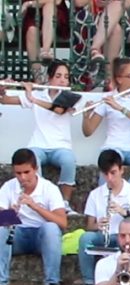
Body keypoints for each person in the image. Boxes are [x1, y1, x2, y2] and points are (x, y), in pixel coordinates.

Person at [0, 61, 78, 212]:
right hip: (38, 144)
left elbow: (58, 110)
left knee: (68, 160)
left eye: (66, 77)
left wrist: (31, 97)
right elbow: (5, 100)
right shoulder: (38, 93)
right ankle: (36, 200)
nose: (63, 80)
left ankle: (64, 203)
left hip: (61, 146)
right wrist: (3, 89)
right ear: (50, 78)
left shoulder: (70, 96)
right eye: (58, 76)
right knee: (33, 159)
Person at [76, 149, 130, 285]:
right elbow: (89, 226)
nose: (109, 178)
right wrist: (98, 225)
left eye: (113, 172)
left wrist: (125, 213)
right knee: (85, 238)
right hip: (103, 236)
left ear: (122, 170)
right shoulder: (95, 194)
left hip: (125, 238)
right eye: (105, 174)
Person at [80, 58, 130, 189]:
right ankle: (105, 198)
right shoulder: (108, 98)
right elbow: (88, 131)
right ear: (119, 79)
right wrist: (86, 115)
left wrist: (121, 109)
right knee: (107, 167)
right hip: (113, 146)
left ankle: (126, 194)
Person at [0, 148, 67, 285]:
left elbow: (62, 222)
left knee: (51, 228)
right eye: (18, 173)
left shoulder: (49, 189)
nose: (23, 178)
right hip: (17, 236)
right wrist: (9, 214)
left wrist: (35, 206)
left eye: (27, 172)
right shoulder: (8, 187)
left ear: (36, 169)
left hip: (41, 237)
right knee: (1, 227)